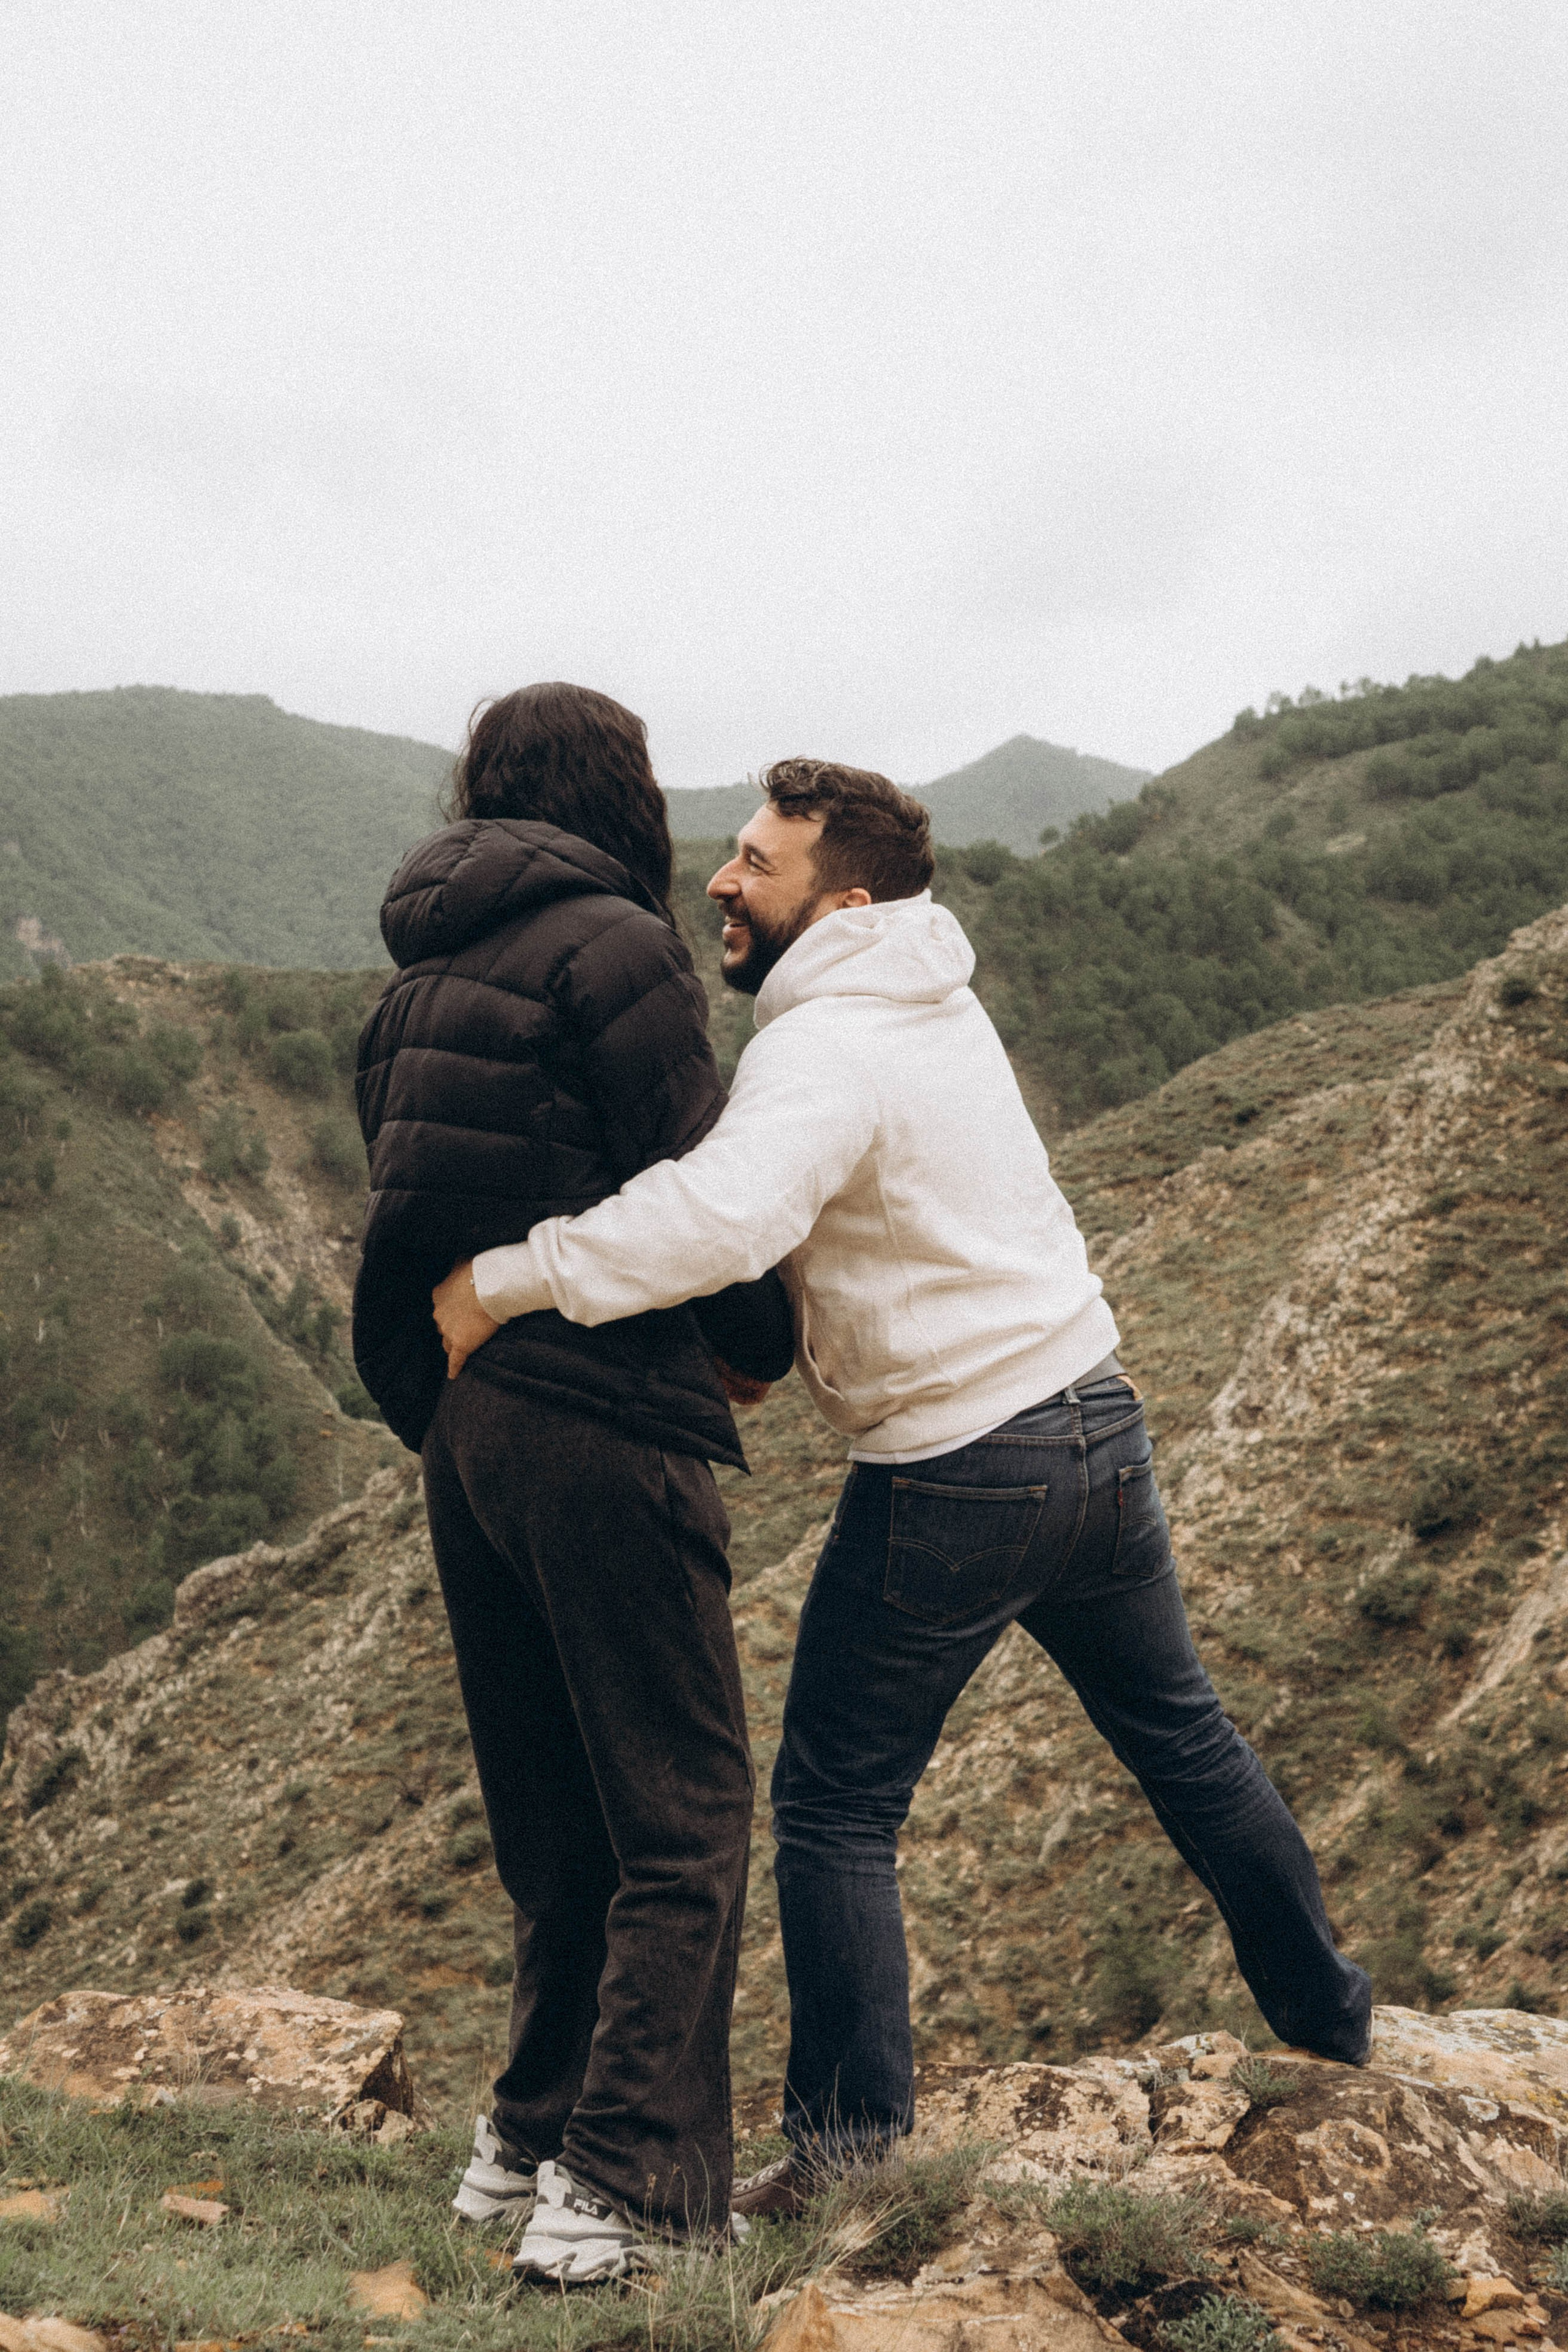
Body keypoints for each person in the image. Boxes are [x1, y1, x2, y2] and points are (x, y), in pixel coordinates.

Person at [432, 756, 1374, 2219]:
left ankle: (847, 2157)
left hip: (956, 1467)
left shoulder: (819, 1050)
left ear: (844, 899)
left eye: (756, 863)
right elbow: (875, 1212)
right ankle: (1330, 2018)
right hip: (1093, 1421)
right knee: (1181, 1735)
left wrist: (505, 1281)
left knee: (831, 1806)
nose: (723, 882)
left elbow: (719, 1216)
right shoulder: (938, 997)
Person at [352, 684, 793, 2280]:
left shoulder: (413, 988)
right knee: (685, 1816)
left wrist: (440, 1409)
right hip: (606, 1413)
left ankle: (520, 2151)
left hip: (470, 1430)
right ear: (626, 796)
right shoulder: (618, 950)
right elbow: (705, 1185)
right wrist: (755, 1346)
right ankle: (625, 2193)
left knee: (556, 1825)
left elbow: (395, 1240)